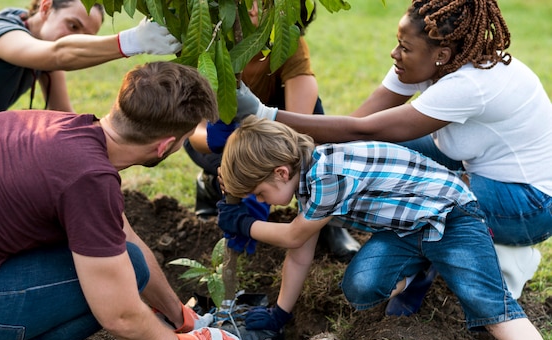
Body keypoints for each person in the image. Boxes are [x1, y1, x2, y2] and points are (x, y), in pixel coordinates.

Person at [0, 61, 257, 340]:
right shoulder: (87, 179)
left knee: (128, 264)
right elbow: (120, 316)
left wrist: (180, 316)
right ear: (164, 146)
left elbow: (122, 234)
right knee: (114, 283)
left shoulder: (67, 130)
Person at [234, 0, 552, 302]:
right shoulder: (423, 62)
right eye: (398, 42)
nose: (394, 53)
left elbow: (366, 130)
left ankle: (500, 251)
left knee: (418, 200)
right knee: (364, 286)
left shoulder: (470, 83)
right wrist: (295, 163)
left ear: (441, 54)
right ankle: (442, 238)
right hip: (474, 171)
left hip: (529, 204)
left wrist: (265, 114)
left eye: (405, 48)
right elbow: (358, 129)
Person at [216, 115, 552, 340]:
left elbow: (293, 234)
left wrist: (246, 224)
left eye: (260, 193)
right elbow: (298, 252)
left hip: (451, 217)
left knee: (496, 315)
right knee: (360, 287)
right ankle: (422, 268)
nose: (267, 202)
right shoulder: (310, 187)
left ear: (281, 172)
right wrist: (279, 314)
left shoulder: (327, 174)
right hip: (406, 230)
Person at [185, 0, 360, 260]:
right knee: (221, 153)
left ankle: (327, 218)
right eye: (244, 3)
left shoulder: (284, 38)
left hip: (275, 136)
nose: (252, 8)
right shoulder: (205, 44)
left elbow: (301, 122)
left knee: (316, 120)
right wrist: (217, 140)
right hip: (223, 142)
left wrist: (265, 163)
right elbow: (191, 132)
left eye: (261, 1)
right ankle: (212, 184)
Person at [0, 0, 182, 142]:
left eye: (86, 36)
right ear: (46, 7)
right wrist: (133, 41)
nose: (78, 39)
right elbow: (58, 53)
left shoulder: (40, 47)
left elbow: (64, 117)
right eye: (73, 26)